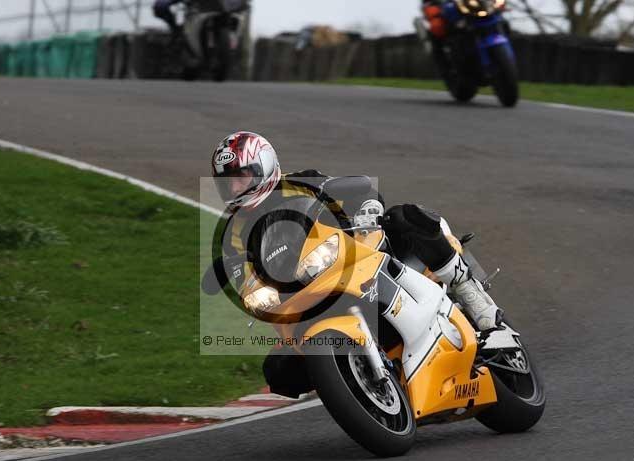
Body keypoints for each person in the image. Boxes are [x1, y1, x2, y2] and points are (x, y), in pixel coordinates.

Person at [211, 131, 502, 396]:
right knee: (279, 371)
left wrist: (368, 207)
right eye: (228, 183)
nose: (236, 187)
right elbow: (240, 271)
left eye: (242, 177)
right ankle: (353, 379)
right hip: (305, 289)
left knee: (404, 217)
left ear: (264, 166)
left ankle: (468, 290)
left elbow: (359, 189)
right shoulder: (235, 231)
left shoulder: (300, 183)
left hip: (352, 251)